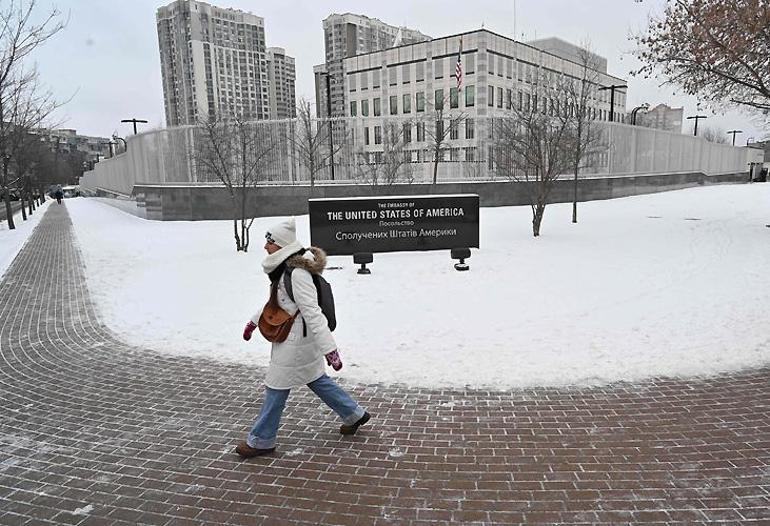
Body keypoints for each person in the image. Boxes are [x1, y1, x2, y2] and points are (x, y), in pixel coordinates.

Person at [236, 217, 370, 458]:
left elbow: (313, 312)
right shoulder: (284, 268)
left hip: (295, 342)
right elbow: (277, 302)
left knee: (276, 386)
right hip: (297, 338)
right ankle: (354, 414)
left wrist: (331, 350)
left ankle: (261, 440)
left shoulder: (297, 273)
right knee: (317, 380)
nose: (266, 247)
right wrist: (253, 322)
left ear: (281, 245)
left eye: (269, 242)